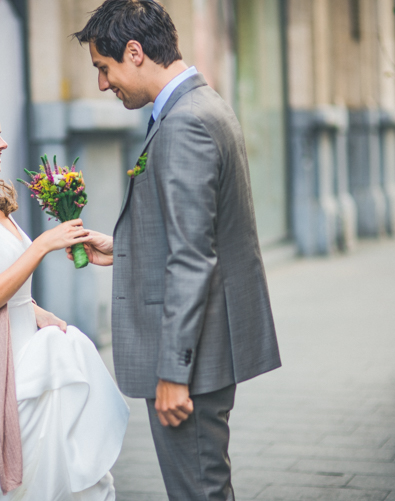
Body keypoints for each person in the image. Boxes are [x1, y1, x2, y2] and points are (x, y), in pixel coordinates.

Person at [71, 1, 282, 499]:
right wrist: (121, 246)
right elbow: (196, 231)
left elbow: (193, 257)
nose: (103, 83)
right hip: (207, 350)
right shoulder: (202, 103)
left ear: (135, 52)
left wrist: (172, 373)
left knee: (199, 491)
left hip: (193, 361)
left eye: (104, 68)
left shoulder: (184, 121)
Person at [0, 97, 129, 500]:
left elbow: (6, 283)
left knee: (59, 470)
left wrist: (35, 311)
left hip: (28, 353)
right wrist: (41, 246)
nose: (2, 144)